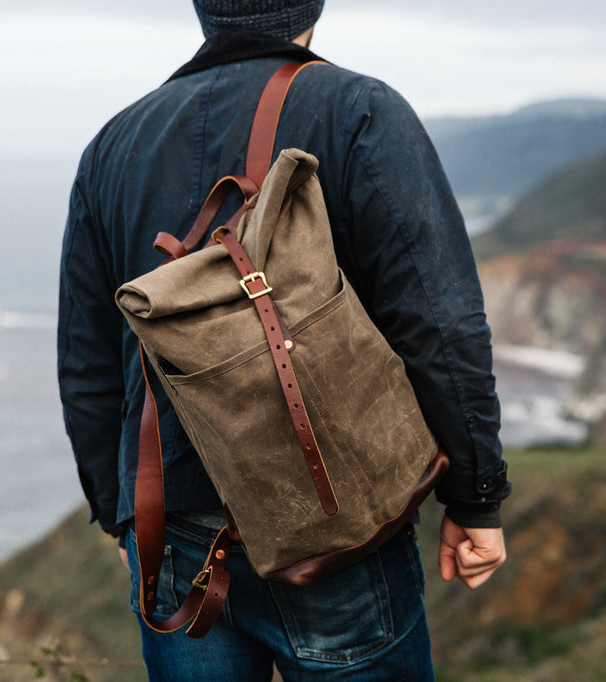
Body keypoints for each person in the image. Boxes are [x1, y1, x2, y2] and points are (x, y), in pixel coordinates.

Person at [57, 1, 512, 679]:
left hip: (174, 533)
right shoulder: (359, 108)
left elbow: (87, 361)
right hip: (331, 525)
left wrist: (119, 513)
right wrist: (475, 495)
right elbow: (438, 321)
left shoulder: (114, 145)